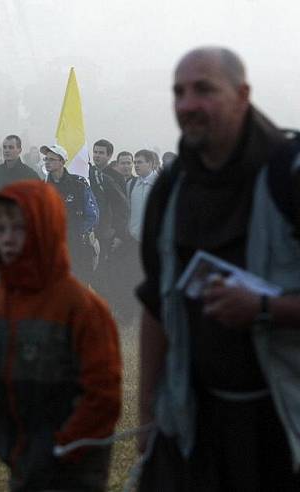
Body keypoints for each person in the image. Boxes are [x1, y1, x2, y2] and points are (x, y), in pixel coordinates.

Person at [137, 47, 300, 490]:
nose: (187, 104)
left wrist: (265, 307)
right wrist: (149, 413)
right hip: (195, 425)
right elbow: (156, 301)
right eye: (179, 92)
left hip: (285, 426)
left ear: (243, 94)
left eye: (204, 89)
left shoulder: (290, 175)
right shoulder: (171, 189)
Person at [0, 180, 121, 491]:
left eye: (20, 229)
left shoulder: (82, 308)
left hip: (75, 464)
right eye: (0, 229)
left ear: (46, 229)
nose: (7, 239)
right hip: (20, 456)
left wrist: (63, 446)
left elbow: (103, 397)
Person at [0, 135, 39, 285]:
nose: (7, 151)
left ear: (19, 150)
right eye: (5, 147)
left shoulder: (30, 175)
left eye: (11, 147)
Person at [42, 144, 99, 284]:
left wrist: (74, 232)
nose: (47, 162)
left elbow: (93, 215)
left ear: (62, 161)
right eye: (46, 159)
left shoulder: (78, 184)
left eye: (52, 159)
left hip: (77, 247)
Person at [88, 138, 131, 314]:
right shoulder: (88, 174)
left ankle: (111, 309)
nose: (97, 155)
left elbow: (123, 207)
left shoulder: (115, 177)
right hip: (92, 232)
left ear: (109, 155)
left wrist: (118, 232)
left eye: (101, 153)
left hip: (108, 233)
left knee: (106, 274)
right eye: (95, 151)